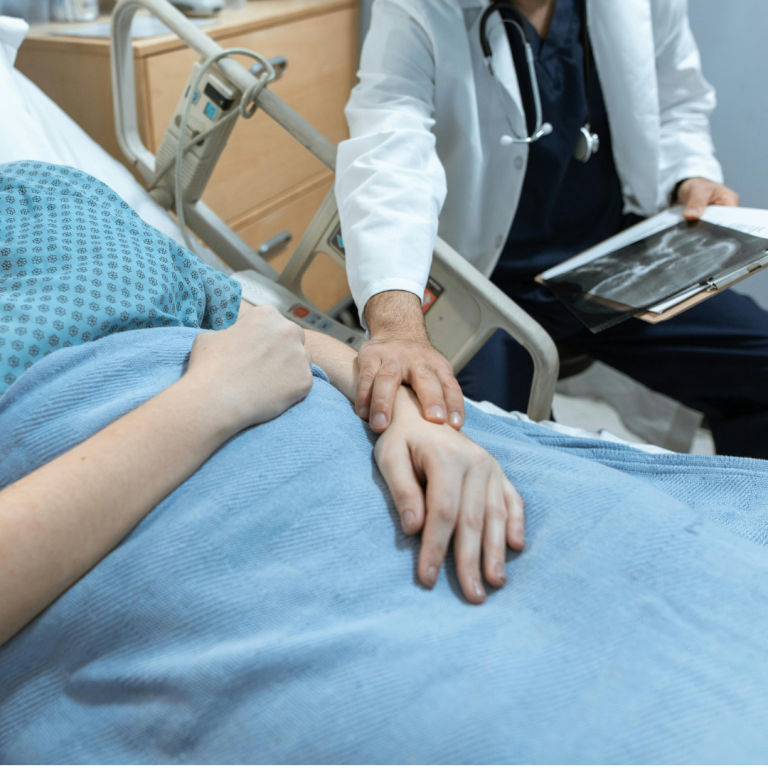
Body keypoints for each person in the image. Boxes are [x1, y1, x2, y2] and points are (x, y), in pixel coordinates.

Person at [0, 160, 524, 646]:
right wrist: (212, 399)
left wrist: (402, 417)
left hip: (355, 444)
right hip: (191, 553)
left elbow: (259, 326)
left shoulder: (51, 191)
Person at [335, 0, 768, 459]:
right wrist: (396, 326)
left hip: (611, 257)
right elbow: (388, 155)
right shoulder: (418, 8)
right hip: (486, 283)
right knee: (491, 441)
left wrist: (690, 174)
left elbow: (678, 101)